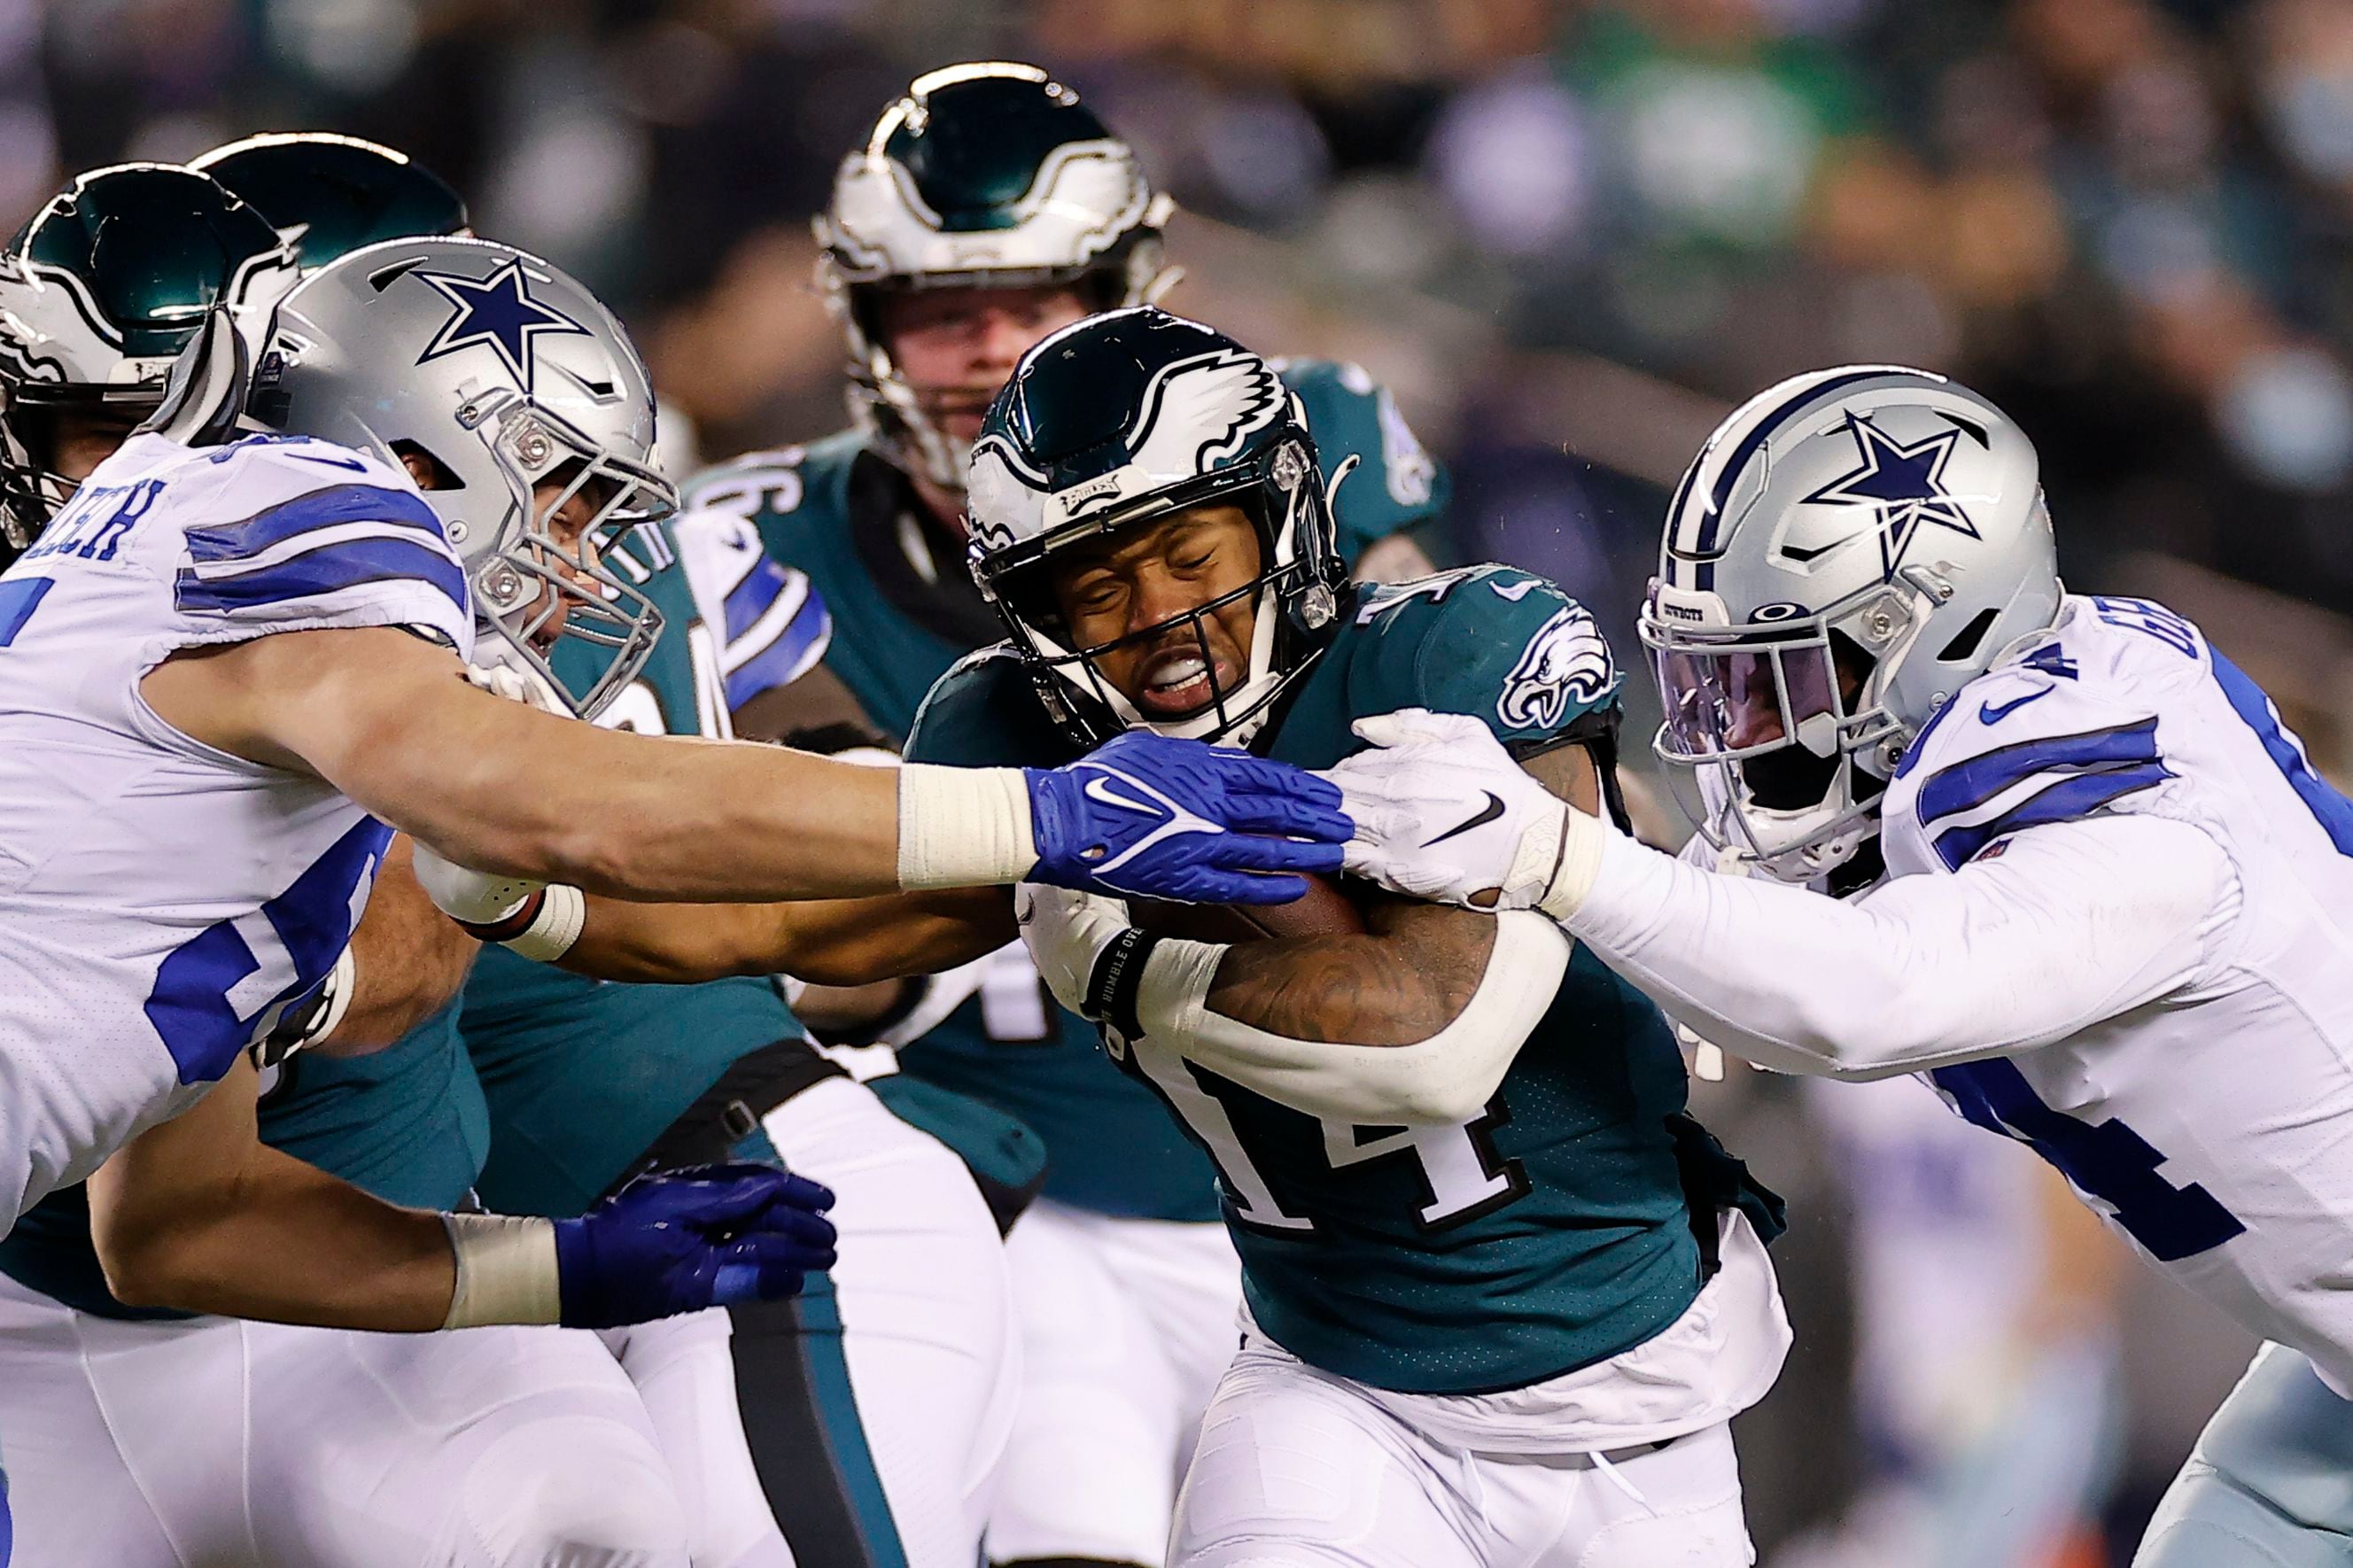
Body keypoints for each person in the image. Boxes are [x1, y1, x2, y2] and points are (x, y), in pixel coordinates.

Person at [0, 207, 1345, 1337]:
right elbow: (555, 804)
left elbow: (181, 1225)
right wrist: (1039, 808)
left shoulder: (212, 661)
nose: (581, 564)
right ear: (420, 448)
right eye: (566, 499)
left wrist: (561, 1270)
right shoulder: (315, 507)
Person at [1325, 363, 2353, 1568]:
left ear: (1931, 634)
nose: (1742, 731)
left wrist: (1558, 855)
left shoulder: (2148, 842)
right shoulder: (1980, 750)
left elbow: (1867, 998)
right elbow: (1752, 961)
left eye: (1782, 678)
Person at [675, 63, 1450, 1564]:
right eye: (940, 311)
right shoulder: (752, 549)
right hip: (1022, 1203)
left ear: (1132, 292)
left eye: (1041, 300)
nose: (991, 353)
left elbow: (1441, 735)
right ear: (864, 326)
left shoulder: (1297, 451)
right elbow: (815, 944)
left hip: (1333, 1202)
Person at [944, 307, 1791, 1568]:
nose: (1156, 616)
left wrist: (1123, 970)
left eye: (1186, 552)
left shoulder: (1449, 654)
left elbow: (1433, 1043)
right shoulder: (1021, 734)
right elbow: (822, 945)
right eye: (1098, 585)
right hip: (1334, 1389)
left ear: (1281, 514)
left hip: (1638, 1401)